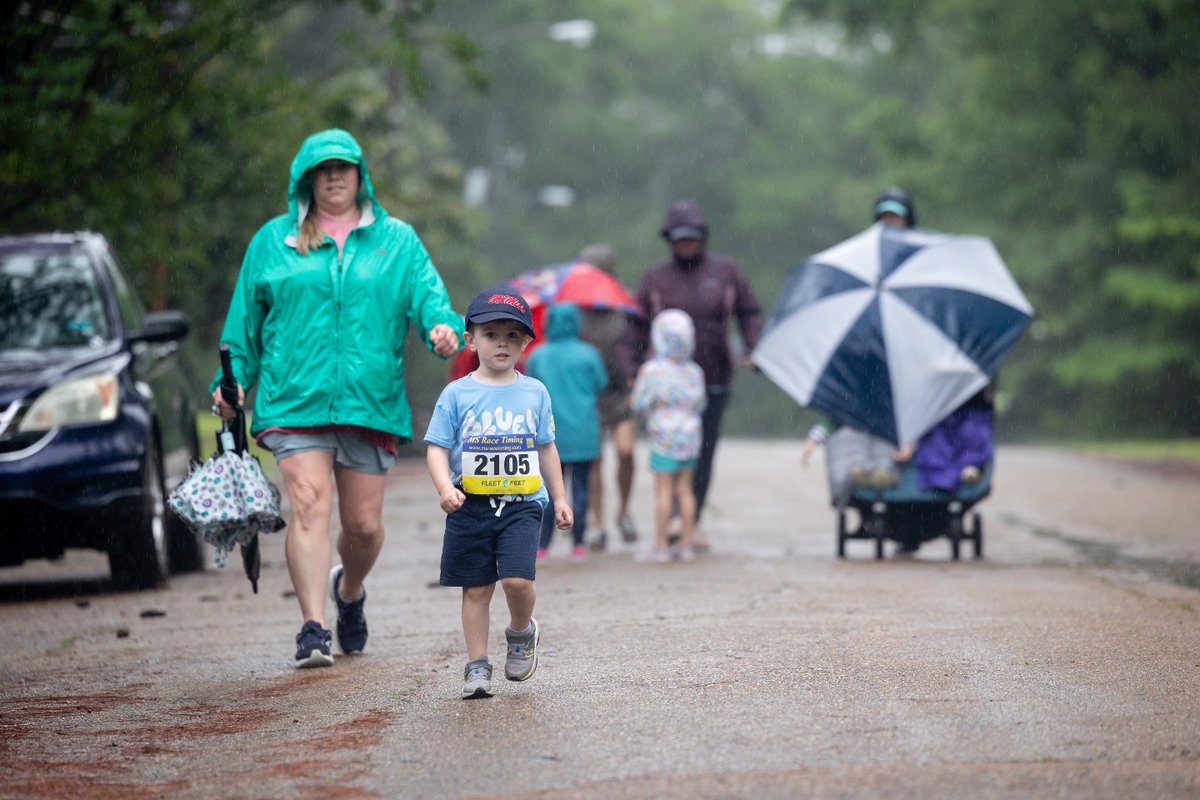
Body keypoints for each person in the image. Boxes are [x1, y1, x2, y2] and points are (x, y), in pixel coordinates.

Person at [210, 128, 463, 668]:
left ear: (359, 175)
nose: (333, 177)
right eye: (322, 170)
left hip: (371, 402)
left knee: (363, 526)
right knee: (307, 504)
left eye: (342, 168)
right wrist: (230, 379)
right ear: (306, 180)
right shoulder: (273, 242)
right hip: (292, 399)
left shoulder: (397, 241)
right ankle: (312, 627)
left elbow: (433, 305)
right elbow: (244, 325)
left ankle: (348, 591)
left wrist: (444, 330)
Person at [424, 288, 572, 699]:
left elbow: (546, 447)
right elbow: (436, 446)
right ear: (470, 340)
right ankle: (476, 666)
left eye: (512, 335)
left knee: (517, 580)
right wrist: (442, 488)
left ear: (527, 342)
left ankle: (521, 631)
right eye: (491, 334)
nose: (502, 343)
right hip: (469, 505)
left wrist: (559, 498)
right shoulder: (456, 393)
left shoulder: (535, 392)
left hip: (523, 504)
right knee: (476, 588)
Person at [617, 200, 763, 542]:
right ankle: (671, 515)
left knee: (703, 449)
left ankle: (690, 519)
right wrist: (631, 371)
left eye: (693, 238)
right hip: (667, 386)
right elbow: (634, 329)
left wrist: (754, 348)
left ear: (703, 237)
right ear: (669, 239)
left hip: (713, 377)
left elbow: (750, 312)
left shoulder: (726, 273)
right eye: (680, 238)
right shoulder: (655, 278)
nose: (687, 244)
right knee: (668, 449)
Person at [525, 302, 608, 563]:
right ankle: (578, 544)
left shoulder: (538, 355)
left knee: (549, 491)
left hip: (549, 434)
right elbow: (601, 383)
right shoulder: (589, 354)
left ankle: (543, 545)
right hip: (584, 431)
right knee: (581, 489)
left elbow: (529, 386)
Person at [574, 244, 641, 550]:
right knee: (594, 462)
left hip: (621, 390)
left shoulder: (625, 306)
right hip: (588, 394)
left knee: (626, 451)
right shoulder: (572, 311)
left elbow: (639, 340)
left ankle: (624, 511)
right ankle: (597, 524)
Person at [630, 309, 706, 562]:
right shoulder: (695, 371)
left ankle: (661, 545)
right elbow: (701, 403)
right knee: (685, 490)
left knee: (663, 491)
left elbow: (640, 403)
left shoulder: (652, 371)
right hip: (691, 434)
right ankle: (685, 544)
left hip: (663, 435)